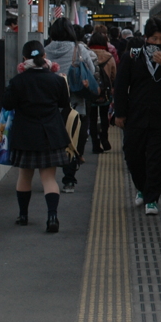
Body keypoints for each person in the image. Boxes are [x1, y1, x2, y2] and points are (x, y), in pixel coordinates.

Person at [113, 17, 161, 215]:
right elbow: (121, 85)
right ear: (146, 38)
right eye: (153, 38)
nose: (157, 43)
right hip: (135, 116)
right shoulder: (133, 57)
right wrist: (119, 113)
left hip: (160, 118)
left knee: (157, 160)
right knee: (132, 155)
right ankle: (142, 187)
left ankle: (152, 198)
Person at [2, 41, 71, 232]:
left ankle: (23, 216)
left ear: (24, 59)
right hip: (51, 134)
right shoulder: (56, 80)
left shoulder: (17, 81)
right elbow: (64, 103)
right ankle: (52, 217)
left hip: (25, 135)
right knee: (49, 179)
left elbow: (7, 105)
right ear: (44, 57)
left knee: (24, 176)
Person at [45, 17, 96, 192]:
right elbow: (92, 70)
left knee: (52, 142)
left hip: (51, 104)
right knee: (71, 140)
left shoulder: (45, 50)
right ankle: (69, 181)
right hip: (74, 103)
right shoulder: (79, 48)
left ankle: (48, 181)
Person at [86, 31, 117, 154]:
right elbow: (114, 75)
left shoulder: (86, 55)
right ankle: (104, 139)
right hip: (105, 92)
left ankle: (95, 144)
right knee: (104, 117)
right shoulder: (109, 56)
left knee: (92, 118)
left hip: (90, 92)